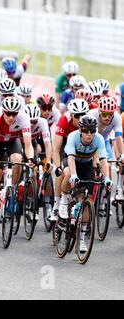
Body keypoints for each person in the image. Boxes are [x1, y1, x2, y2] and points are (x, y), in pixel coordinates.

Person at [58, 115, 111, 253]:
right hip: (72, 162)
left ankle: (81, 239)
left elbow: (104, 159)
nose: (89, 134)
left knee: (86, 202)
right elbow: (70, 157)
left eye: (92, 131)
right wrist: (74, 175)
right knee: (68, 174)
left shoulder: (98, 138)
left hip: (86, 165)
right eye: (86, 131)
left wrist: (107, 178)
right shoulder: (72, 137)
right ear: (80, 130)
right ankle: (64, 201)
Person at [0, 97, 34, 232]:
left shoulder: (23, 117)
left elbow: (28, 144)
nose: (11, 117)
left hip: (13, 141)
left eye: (14, 114)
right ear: (3, 111)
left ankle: (11, 192)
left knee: (18, 160)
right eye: (8, 113)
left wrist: (30, 158)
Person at [52, 98, 89, 220]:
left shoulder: (88, 122)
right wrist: (57, 167)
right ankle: (57, 205)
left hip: (80, 149)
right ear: (71, 115)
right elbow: (56, 149)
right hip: (64, 146)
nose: (80, 119)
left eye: (83, 115)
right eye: (77, 116)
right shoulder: (64, 120)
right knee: (64, 173)